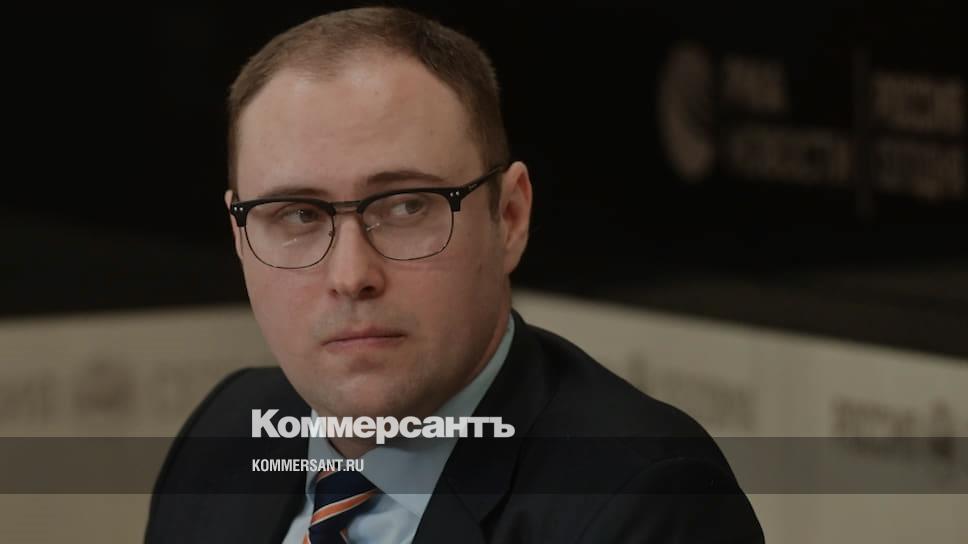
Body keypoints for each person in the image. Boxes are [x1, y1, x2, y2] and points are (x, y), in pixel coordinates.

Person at [146, 6, 763, 543]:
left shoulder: (647, 503)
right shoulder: (227, 432)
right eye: (298, 214)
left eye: (406, 207)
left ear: (510, 217)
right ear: (240, 238)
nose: (351, 275)